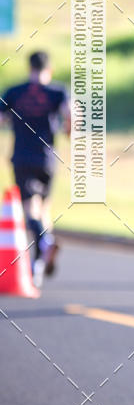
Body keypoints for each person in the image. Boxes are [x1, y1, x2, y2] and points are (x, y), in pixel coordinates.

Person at [0, 51, 70, 286]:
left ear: (29, 68)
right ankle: (38, 264)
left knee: (30, 209)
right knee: (44, 208)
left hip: (22, 158)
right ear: (48, 69)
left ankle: (46, 244)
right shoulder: (57, 91)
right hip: (47, 159)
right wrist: (69, 131)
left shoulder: (14, 91)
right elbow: (70, 114)